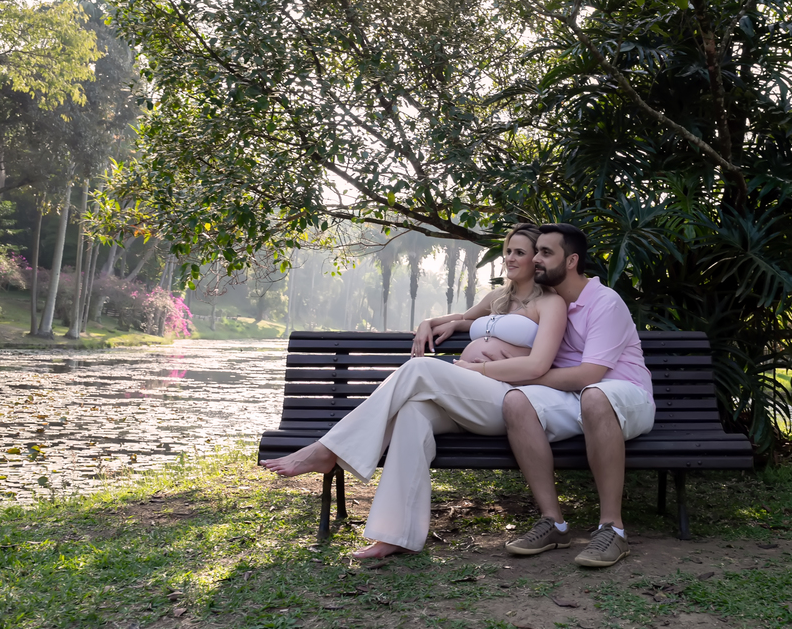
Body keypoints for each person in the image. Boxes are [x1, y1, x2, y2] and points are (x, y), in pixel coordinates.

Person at [260, 224, 567, 559]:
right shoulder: (498, 298)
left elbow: (538, 366)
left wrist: (475, 369)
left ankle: (327, 450)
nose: (510, 258)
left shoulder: (550, 304)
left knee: (420, 368)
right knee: (411, 414)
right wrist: (427, 324)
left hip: (505, 401)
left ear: (537, 258)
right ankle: (395, 534)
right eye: (508, 250)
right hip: (466, 400)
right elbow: (461, 318)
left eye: (520, 252)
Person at [500, 223, 654, 568]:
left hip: (627, 396)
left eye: (545, 253)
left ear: (571, 261)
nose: (535, 259)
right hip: (575, 397)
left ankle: (612, 528)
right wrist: (446, 322)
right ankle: (553, 523)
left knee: (595, 395)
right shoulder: (546, 303)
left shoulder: (604, 302)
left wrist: (529, 374)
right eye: (536, 251)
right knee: (516, 401)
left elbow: (589, 375)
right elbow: (486, 318)